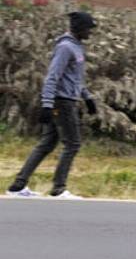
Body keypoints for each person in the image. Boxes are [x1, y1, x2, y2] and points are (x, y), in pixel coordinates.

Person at [6, 11, 98, 199]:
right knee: (72, 144)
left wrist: (88, 98)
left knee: (46, 144)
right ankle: (59, 188)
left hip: (67, 100)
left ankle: (17, 187)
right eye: (89, 28)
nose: (91, 32)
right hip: (61, 102)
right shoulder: (65, 47)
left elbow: (75, 78)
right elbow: (52, 77)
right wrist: (47, 104)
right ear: (79, 28)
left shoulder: (77, 47)